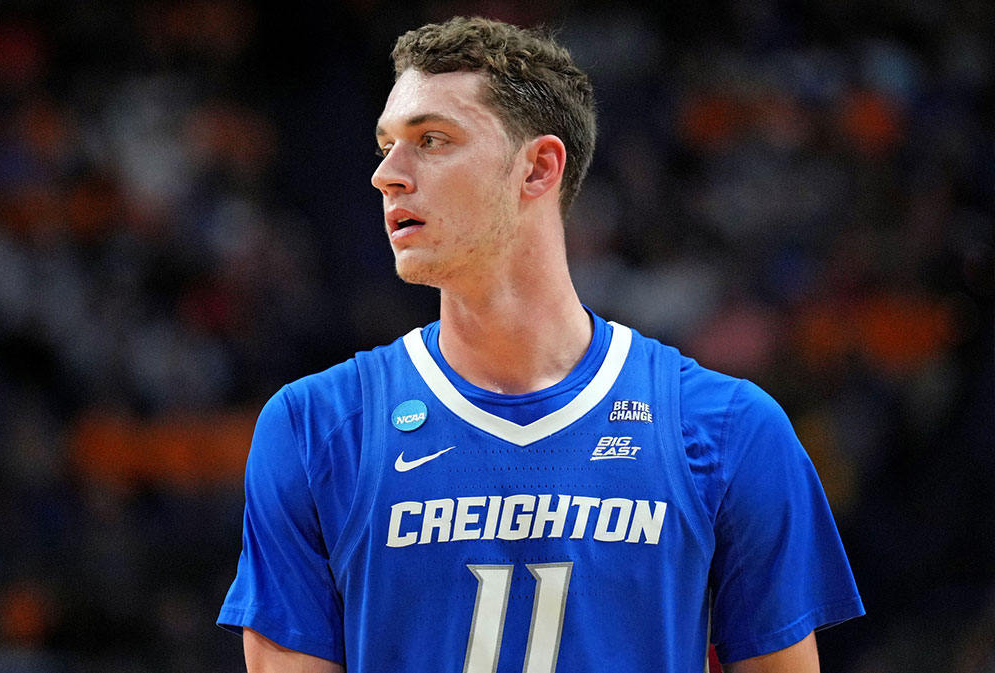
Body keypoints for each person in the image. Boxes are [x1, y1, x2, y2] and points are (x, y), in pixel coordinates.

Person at [218, 16, 863, 672]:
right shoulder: (314, 429)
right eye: (386, 145)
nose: (388, 174)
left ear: (538, 168)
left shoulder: (726, 428)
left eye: (431, 140)